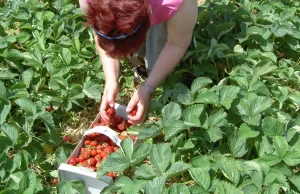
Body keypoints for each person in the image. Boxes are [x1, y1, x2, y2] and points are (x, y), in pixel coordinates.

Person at [79, 0, 198, 125]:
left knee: (158, 52)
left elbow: (177, 43)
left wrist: (149, 87)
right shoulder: (88, 2)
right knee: (137, 53)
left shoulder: (176, 2)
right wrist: (111, 79)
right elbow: (105, 34)